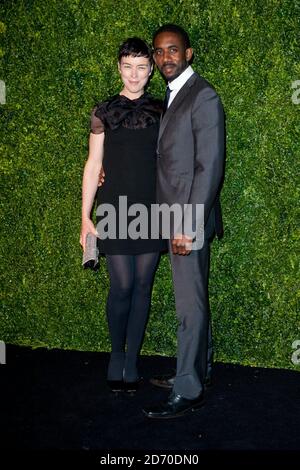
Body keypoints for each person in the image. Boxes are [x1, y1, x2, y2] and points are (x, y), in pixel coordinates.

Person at [142, 24, 225, 418]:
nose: (164, 59)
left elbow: (208, 168)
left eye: (172, 50)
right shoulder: (174, 96)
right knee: (194, 298)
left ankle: (189, 389)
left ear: (188, 53)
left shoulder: (202, 95)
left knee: (188, 306)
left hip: (186, 221)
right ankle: (199, 370)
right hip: (174, 215)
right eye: (159, 52)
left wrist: (187, 226)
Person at [80, 37, 166, 394]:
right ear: (119, 67)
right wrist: (85, 217)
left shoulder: (163, 110)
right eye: (128, 66)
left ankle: (132, 361)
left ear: (151, 71)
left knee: (143, 286)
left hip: (153, 208)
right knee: (122, 286)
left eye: (142, 67)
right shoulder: (103, 111)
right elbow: (93, 164)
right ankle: (116, 354)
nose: (134, 74)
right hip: (114, 208)